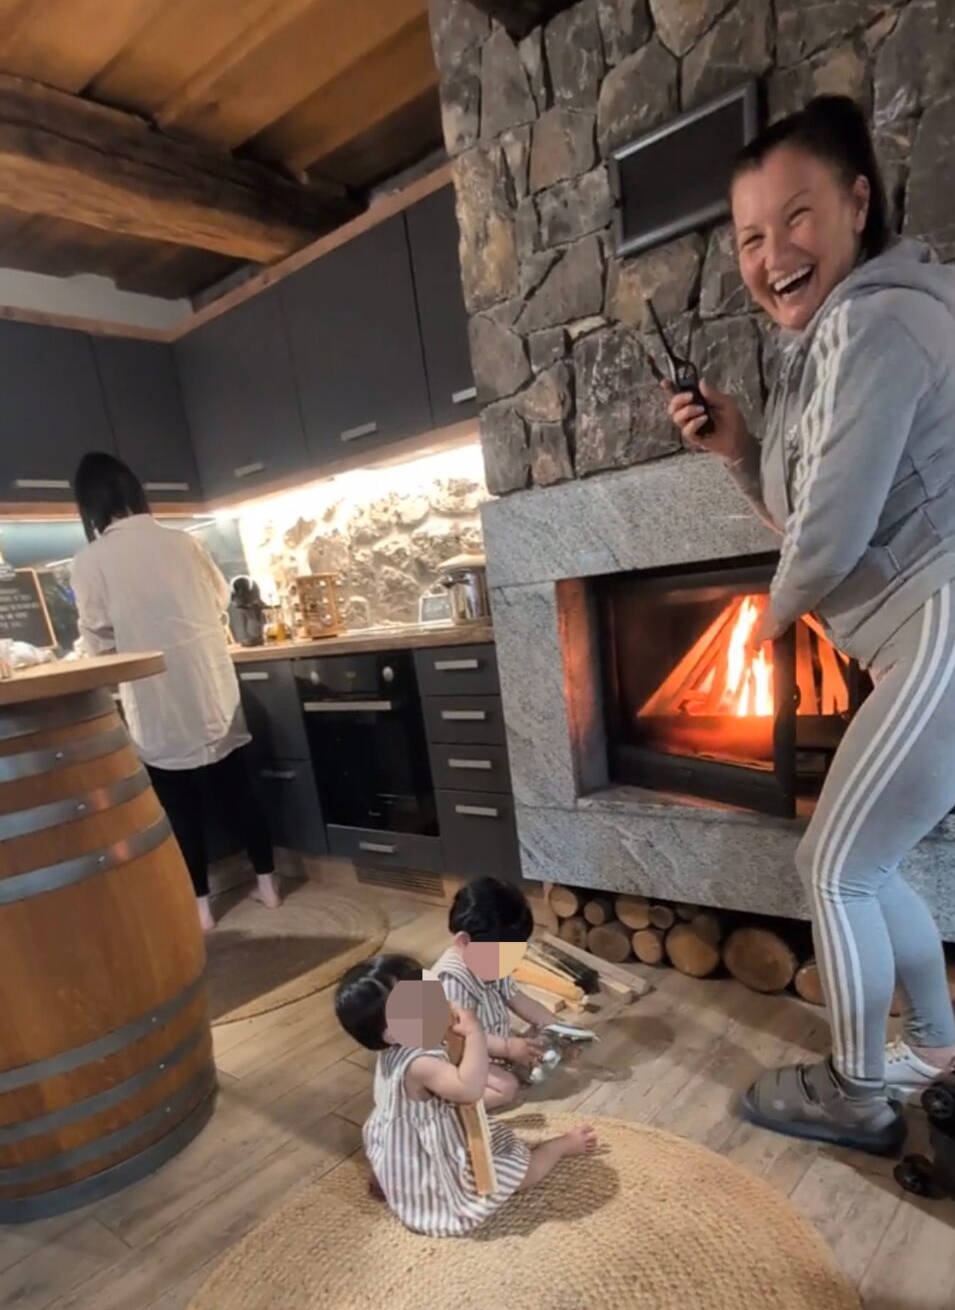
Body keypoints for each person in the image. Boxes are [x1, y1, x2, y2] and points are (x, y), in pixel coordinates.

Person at [666, 95, 955, 1156]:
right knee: (870, 861)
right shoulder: (832, 341)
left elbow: (826, 540)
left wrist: (761, 627)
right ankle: (932, 1048)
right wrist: (740, 449)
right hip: (946, 624)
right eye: (750, 237)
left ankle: (857, 1094)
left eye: (797, 217)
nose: (773, 255)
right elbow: (811, 518)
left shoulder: (879, 322)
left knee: (833, 865)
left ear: (857, 203)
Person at [70, 451, 280, 934]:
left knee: (179, 809)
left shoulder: (91, 560)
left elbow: (97, 637)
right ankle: (268, 886)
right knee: (238, 793)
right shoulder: (185, 543)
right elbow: (219, 599)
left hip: (157, 703)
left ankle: (201, 909)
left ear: (90, 504)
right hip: (211, 692)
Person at [334, 952, 597, 1236]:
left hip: (400, 1140)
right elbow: (469, 1090)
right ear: (393, 1034)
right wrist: (475, 1036)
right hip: (427, 1143)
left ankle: (397, 1178)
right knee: (513, 1175)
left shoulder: (405, 1041)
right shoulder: (420, 1063)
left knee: (430, 1158)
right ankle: (558, 1147)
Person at [432, 878, 556, 1110]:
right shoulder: (452, 979)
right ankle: (447, 1108)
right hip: (460, 1057)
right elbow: (460, 1037)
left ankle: (504, 1066)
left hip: (492, 1045)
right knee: (506, 1088)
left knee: (540, 1042)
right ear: (464, 942)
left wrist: (557, 1027)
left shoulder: (494, 962)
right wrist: (508, 1048)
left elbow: (519, 999)